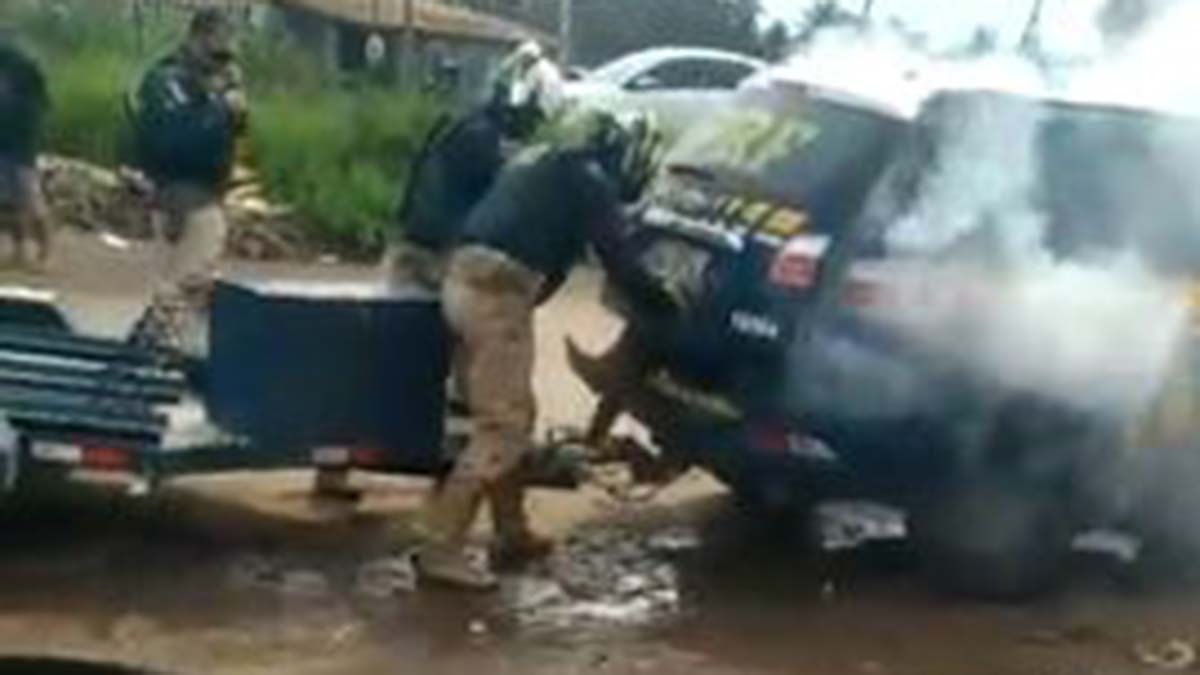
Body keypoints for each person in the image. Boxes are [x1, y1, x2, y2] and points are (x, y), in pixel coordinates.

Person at [415, 110, 667, 590]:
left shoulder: (544, 161)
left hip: (463, 280)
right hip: (497, 294)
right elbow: (620, 261)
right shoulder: (592, 181)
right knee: (503, 428)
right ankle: (440, 549)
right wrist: (664, 303)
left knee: (509, 414)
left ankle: (512, 532)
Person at [384, 40, 564, 294]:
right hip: (429, 260)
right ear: (518, 105)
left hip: (424, 249)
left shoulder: (472, 125)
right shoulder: (480, 139)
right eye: (533, 116)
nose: (532, 127)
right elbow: (506, 204)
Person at [126, 9, 247, 355]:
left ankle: (156, 349)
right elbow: (172, 141)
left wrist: (230, 112)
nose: (221, 62)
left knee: (178, 285)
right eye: (216, 51)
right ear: (198, 38)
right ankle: (155, 351)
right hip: (183, 194)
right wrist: (218, 109)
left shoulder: (213, 83)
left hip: (202, 193)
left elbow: (232, 139)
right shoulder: (167, 79)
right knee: (186, 283)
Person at [0, 38, 52, 269]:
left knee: (30, 199)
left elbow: (41, 104)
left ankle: (44, 252)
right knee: (9, 202)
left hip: (21, 143)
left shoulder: (20, 64)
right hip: (4, 141)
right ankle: (18, 251)